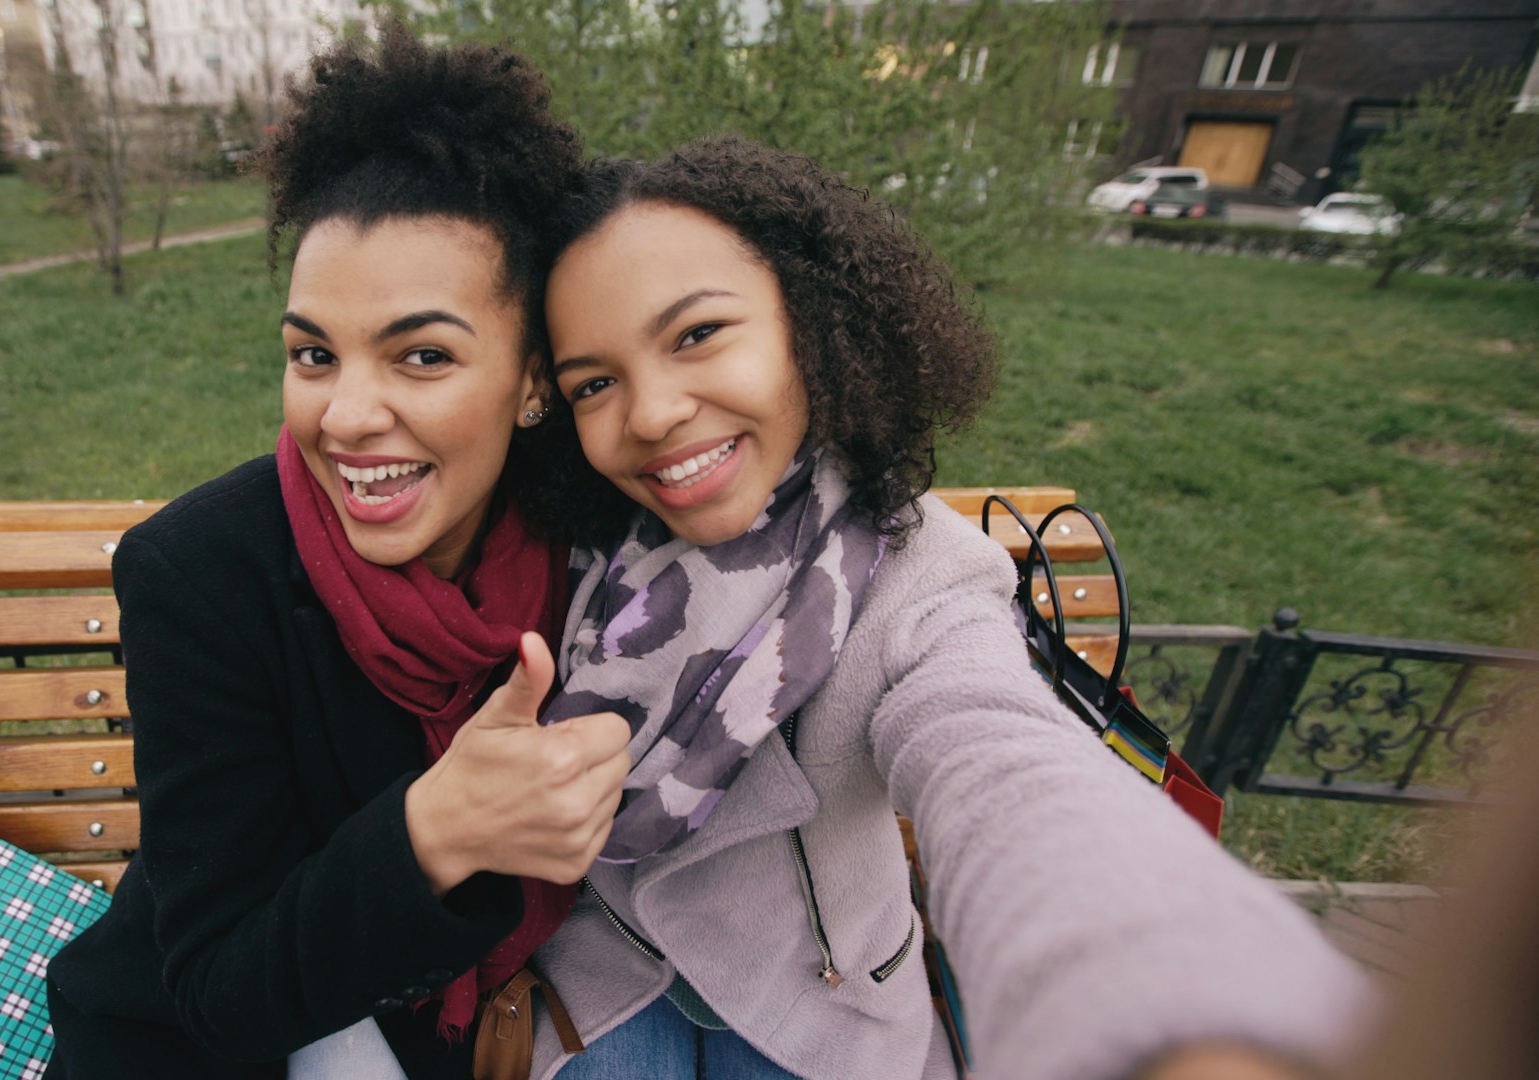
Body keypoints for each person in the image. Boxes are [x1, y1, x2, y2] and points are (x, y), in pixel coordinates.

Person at [520, 140, 1375, 1080]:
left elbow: (997, 757)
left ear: (811, 320)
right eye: (593, 383)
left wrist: (1165, 997)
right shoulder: (565, 562)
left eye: (696, 335)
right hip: (612, 984)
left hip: (821, 996)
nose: (649, 414)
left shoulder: (915, 573)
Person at [42, 23, 632, 1079]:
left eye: (422, 355)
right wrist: (434, 834)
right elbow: (218, 991)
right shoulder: (200, 577)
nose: (348, 416)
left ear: (536, 378)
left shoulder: (597, 545)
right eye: (313, 353)